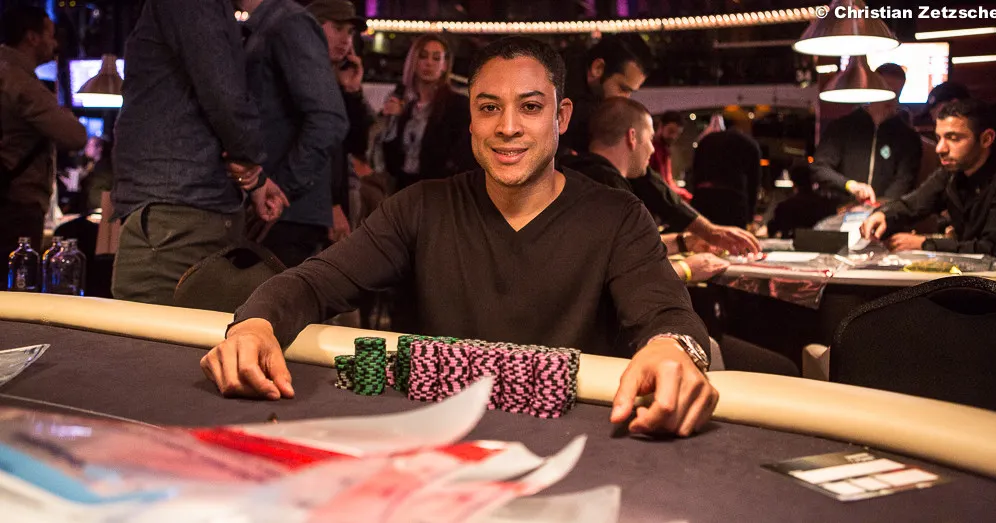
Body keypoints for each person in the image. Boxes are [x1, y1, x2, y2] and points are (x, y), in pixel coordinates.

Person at [201, 36, 718, 437]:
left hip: (577, 445)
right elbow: (316, 281)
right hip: (434, 445)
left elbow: (667, 315)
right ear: (471, 118)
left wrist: (672, 351)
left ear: (561, 117)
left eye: (530, 107)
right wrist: (254, 327)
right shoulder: (420, 207)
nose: (507, 127)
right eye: (489, 107)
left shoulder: (618, 215)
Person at [111, 0, 286, 305]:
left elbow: (225, 96)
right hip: (188, 208)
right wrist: (254, 173)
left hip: (175, 214)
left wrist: (251, 162)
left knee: (146, 333)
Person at [559, 97, 731, 283]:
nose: (652, 149)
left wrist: (684, 242)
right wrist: (688, 268)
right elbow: (626, 276)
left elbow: (627, 250)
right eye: (650, 139)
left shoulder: (573, 174)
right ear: (632, 137)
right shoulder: (610, 189)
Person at [239, 0, 348, 268]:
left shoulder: (288, 22)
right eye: (339, 28)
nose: (346, 39)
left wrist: (279, 189)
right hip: (277, 211)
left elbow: (328, 120)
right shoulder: (270, 23)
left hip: (286, 216)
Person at [0, 6, 87, 288]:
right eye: (50, 35)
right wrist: (65, 116)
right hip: (15, 206)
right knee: (16, 293)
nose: (55, 43)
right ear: (32, 37)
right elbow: (75, 136)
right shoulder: (21, 82)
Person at [860, 99, 996, 254]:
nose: (940, 148)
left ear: (986, 139)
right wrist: (884, 215)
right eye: (939, 138)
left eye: (953, 138)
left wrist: (924, 243)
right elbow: (912, 205)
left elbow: (991, 248)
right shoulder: (951, 173)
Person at [305, 0, 374, 240]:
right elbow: (318, 152)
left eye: (350, 32)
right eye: (338, 28)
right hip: (307, 209)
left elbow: (356, 145)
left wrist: (352, 91)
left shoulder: (332, 81)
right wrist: (331, 205)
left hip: (329, 202)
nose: (346, 39)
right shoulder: (304, 79)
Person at [810, 63, 922, 205]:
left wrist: (878, 208)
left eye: (897, 92)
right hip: (841, 210)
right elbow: (819, 168)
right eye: (887, 89)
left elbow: (904, 182)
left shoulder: (908, 137)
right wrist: (850, 185)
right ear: (873, 87)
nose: (892, 98)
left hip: (885, 214)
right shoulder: (843, 127)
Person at [379, 34, 475, 190]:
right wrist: (393, 122)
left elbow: (463, 158)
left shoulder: (457, 105)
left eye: (436, 58)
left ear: (445, 65)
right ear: (414, 61)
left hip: (440, 192)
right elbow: (392, 164)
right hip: (407, 191)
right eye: (423, 56)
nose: (429, 63)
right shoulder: (407, 108)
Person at [561, 34, 652, 155]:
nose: (625, 98)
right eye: (623, 88)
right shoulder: (554, 87)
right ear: (598, 68)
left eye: (630, 92)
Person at [689, 118, 762, 227]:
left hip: (703, 198)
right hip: (734, 201)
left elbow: (694, 175)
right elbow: (754, 183)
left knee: (701, 236)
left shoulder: (706, 140)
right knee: (732, 236)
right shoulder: (750, 143)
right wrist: (750, 216)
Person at [650, 111, 692, 201]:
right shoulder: (652, 149)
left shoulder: (665, 150)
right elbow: (659, 183)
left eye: (677, 134)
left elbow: (667, 182)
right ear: (661, 126)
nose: (674, 137)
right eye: (671, 131)